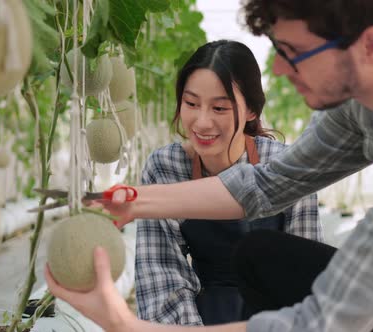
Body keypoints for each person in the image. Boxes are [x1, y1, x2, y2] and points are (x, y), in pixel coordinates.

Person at [46, 0, 373, 331]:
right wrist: (132, 202)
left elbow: (327, 321)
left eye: (292, 53)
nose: (277, 70)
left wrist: (132, 328)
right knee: (264, 257)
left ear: (371, 45)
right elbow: (267, 184)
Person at [133, 40, 321, 325]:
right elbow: (162, 278)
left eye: (220, 108)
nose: (201, 122)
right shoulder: (166, 168)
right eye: (191, 103)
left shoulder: (285, 165)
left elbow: (305, 277)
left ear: (251, 111)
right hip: (200, 319)